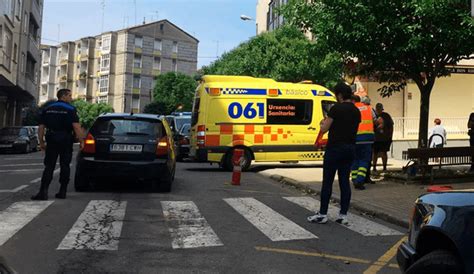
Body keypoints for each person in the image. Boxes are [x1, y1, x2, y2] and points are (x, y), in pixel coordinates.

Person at [308, 82, 361, 225]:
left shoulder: (336, 109)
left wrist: (321, 123)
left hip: (334, 149)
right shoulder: (356, 111)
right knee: (344, 182)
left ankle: (323, 214)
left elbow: (324, 128)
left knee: (328, 182)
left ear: (339, 95)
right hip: (350, 149)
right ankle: (343, 215)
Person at [31, 89, 84, 200]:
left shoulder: (48, 108)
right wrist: (81, 141)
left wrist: (41, 142)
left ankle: (43, 192)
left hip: (52, 139)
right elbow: (76, 127)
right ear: (63, 96)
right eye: (69, 95)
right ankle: (62, 191)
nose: (71, 98)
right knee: (65, 165)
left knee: (49, 166)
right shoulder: (71, 109)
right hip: (66, 139)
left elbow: (41, 127)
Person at [351, 95, 375, 190]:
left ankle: (354, 179)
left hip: (355, 138)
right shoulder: (369, 108)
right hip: (367, 139)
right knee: (364, 160)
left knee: (355, 160)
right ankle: (360, 181)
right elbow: (375, 120)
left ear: (353, 100)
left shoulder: (352, 109)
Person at [373, 103, 393, 172]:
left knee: (376, 153)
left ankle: (375, 168)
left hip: (377, 138)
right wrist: (390, 136)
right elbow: (391, 126)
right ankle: (383, 168)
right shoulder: (387, 116)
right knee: (383, 153)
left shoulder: (375, 116)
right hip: (384, 138)